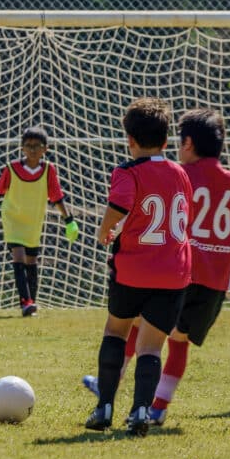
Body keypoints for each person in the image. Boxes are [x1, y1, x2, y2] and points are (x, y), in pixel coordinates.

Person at [83, 108, 230, 427]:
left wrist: (114, 231)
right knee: (175, 341)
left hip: (176, 271)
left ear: (186, 143)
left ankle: (109, 389)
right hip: (211, 282)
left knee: (132, 329)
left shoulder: (177, 174)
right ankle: (155, 406)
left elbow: (141, 209)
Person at [84, 96, 193, 437]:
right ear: (166, 141)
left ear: (130, 140)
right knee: (150, 346)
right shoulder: (180, 173)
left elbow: (120, 204)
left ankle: (104, 407)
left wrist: (106, 231)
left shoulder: (127, 170)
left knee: (116, 331)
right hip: (173, 274)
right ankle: (141, 411)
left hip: (132, 269)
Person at [0, 126, 79, 317]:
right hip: (13, 218)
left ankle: (32, 300)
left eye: (37, 146)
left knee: (32, 260)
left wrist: (69, 220)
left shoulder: (49, 170)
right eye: (28, 145)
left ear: (45, 149)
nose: (32, 149)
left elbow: (57, 196)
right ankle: (25, 302)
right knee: (19, 256)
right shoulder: (11, 168)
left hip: (33, 220)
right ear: (22, 148)